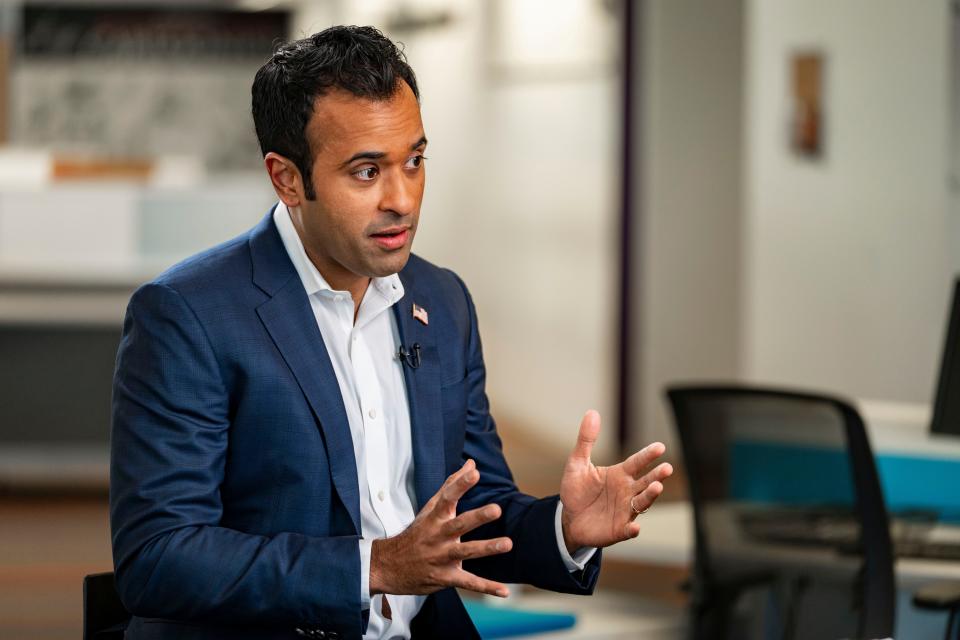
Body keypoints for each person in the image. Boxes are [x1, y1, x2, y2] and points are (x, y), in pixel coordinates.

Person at [110, 25, 673, 640]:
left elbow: (466, 519)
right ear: (287, 178)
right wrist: (373, 567)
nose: (402, 199)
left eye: (414, 161)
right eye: (366, 171)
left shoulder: (442, 300)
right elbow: (159, 557)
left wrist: (564, 526)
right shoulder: (187, 314)